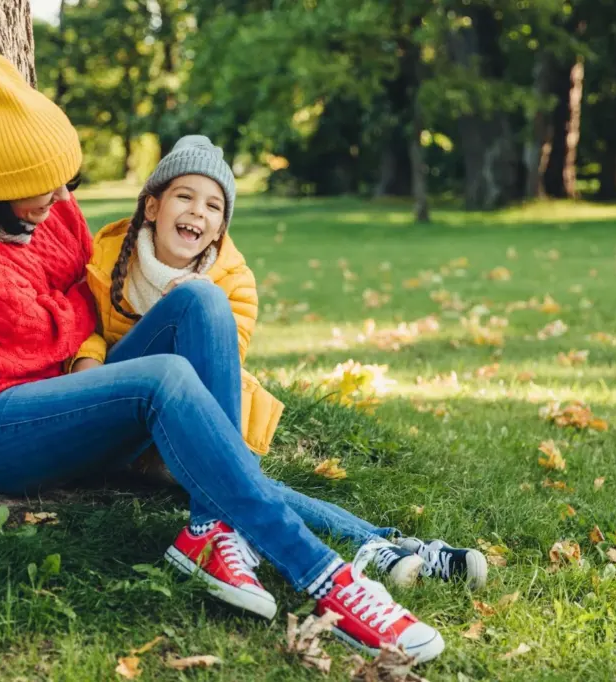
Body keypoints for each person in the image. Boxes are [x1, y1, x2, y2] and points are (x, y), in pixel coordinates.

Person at [0, 53, 448, 663]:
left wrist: (65, 312)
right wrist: (69, 314)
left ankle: (215, 530)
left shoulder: (49, 203)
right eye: (42, 190)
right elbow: (28, 340)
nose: (60, 201)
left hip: (82, 401)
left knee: (202, 303)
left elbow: (80, 297)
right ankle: (331, 581)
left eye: (67, 185)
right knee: (164, 379)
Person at [72, 134, 488, 591]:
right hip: (120, 415)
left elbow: (218, 365)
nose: (197, 212)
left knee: (253, 487)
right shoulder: (106, 256)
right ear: (152, 207)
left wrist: (187, 308)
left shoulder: (234, 283)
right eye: (184, 196)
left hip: (183, 424)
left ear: (220, 228)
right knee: (244, 485)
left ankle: (386, 547)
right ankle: (380, 548)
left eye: (213, 206)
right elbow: (82, 324)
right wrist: (88, 365)